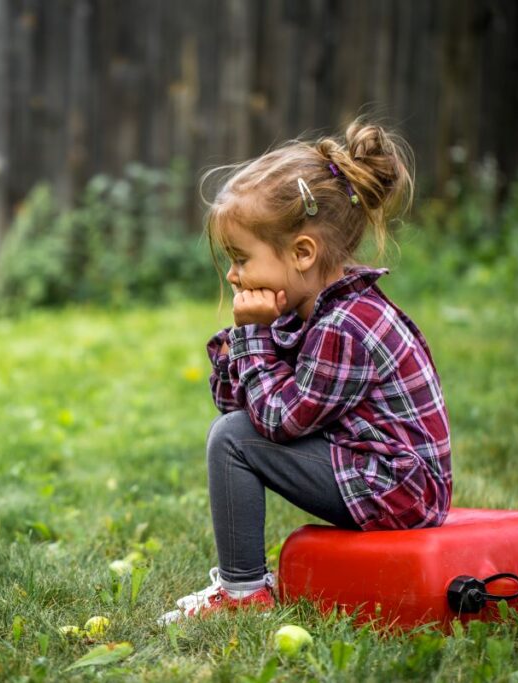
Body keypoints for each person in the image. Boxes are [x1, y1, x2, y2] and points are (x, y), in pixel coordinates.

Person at [158, 119, 452, 624]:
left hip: (400, 487)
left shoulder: (346, 325)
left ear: (301, 253)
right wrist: (255, 338)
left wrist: (250, 335)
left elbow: (274, 422)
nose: (232, 276)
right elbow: (240, 403)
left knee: (231, 440)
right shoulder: (307, 310)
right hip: (376, 471)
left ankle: (243, 592)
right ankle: (242, 588)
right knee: (233, 432)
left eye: (241, 258)